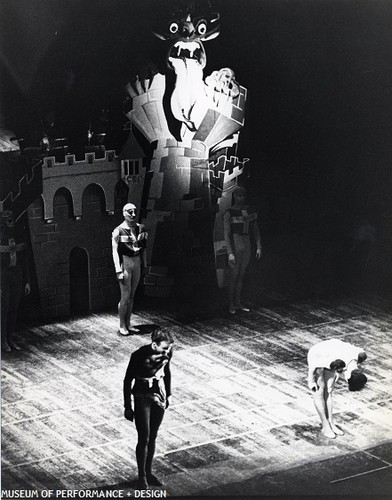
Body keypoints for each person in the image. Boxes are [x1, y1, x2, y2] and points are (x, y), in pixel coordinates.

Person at [123, 328, 174, 489]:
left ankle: (149, 472)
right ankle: (142, 476)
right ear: (154, 344)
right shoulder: (138, 356)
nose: (167, 351)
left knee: (153, 436)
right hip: (141, 396)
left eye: (169, 348)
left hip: (158, 395)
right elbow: (127, 381)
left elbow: (167, 372)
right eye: (164, 348)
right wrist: (128, 406)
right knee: (143, 437)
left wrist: (169, 395)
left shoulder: (167, 353)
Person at [307, 338, 368, 438]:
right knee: (320, 391)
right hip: (318, 354)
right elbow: (314, 365)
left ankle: (331, 423)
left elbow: (346, 365)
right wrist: (311, 381)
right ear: (347, 378)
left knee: (329, 390)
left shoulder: (360, 356)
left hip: (333, 352)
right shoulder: (332, 361)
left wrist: (338, 372)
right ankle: (325, 426)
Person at [223, 185, 262, 314]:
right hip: (236, 243)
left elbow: (255, 229)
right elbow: (227, 233)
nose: (242, 198)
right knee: (234, 275)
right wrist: (230, 252)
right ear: (234, 196)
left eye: (243, 195)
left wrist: (259, 246)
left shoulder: (250, 210)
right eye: (239, 195)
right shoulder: (229, 213)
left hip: (247, 242)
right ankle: (231, 304)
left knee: (241, 275)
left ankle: (238, 302)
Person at [112, 203, 148, 335]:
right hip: (126, 263)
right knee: (125, 296)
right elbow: (115, 252)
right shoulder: (118, 231)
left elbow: (144, 248)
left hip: (137, 261)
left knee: (132, 296)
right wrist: (118, 270)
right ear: (123, 213)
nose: (132, 214)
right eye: (129, 212)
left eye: (134, 211)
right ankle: (122, 325)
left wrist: (145, 265)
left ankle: (128, 323)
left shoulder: (141, 229)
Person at [1, 210, 31, 352]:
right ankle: (2, 341)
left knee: (14, 307)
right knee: (3, 308)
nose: (11, 223)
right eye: (8, 220)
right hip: (3, 275)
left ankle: (10, 338)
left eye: (12, 219)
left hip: (16, 274)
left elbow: (25, 260)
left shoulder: (19, 237)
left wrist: (27, 281)